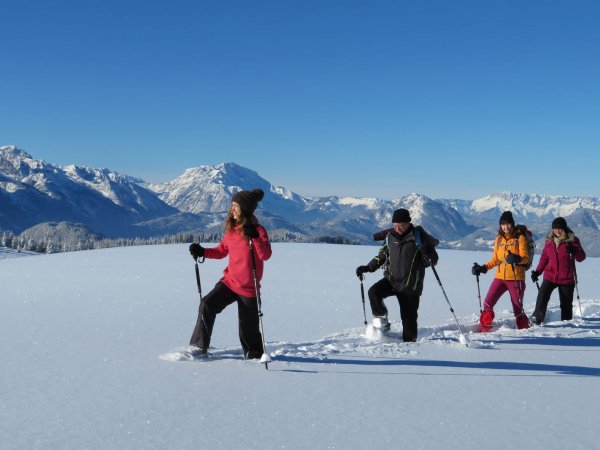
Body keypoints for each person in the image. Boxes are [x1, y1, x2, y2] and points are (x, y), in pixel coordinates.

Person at [188, 188, 272, 359]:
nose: (232, 209)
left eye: (236, 206)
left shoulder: (258, 230)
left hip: (249, 288)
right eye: (232, 205)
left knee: (248, 328)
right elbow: (221, 251)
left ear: (246, 209)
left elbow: (265, 255)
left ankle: (254, 356)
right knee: (207, 304)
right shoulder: (231, 230)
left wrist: (254, 237)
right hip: (230, 282)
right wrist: (202, 251)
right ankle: (199, 346)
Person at [355, 208, 439, 342]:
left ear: (408, 223)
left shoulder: (418, 237)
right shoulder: (390, 237)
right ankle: (382, 321)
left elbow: (432, 261)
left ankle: (410, 345)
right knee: (374, 292)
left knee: (408, 319)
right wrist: (367, 267)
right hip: (392, 280)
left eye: (401, 225)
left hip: (410, 285)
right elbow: (381, 256)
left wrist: (428, 251)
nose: (398, 228)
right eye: (395, 225)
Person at [472, 211, 530, 332]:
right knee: (487, 303)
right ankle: (485, 331)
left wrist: (517, 258)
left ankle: (525, 331)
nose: (506, 227)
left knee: (517, 308)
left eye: (508, 224)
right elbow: (495, 259)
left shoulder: (520, 238)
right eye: (503, 224)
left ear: (513, 224)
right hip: (500, 277)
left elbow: (525, 257)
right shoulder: (498, 239)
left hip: (516, 278)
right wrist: (483, 268)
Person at [530, 217, 586, 325]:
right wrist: (537, 272)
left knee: (566, 304)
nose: (557, 231)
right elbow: (544, 258)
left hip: (566, 277)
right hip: (550, 275)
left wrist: (574, 251)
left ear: (564, 229)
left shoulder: (572, 240)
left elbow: (581, 257)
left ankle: (566, 324)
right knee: (542, 295)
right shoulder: (549, 241)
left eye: (560, 228)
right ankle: (537, 319)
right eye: (555, 228)